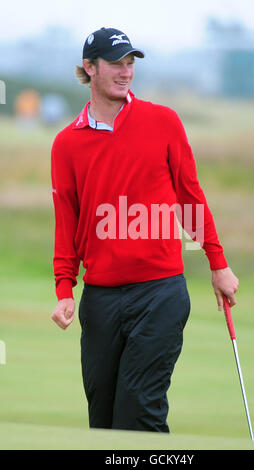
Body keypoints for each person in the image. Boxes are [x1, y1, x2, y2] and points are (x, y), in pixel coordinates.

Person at [50, 27, 239, 432]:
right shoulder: (66, 144)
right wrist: (64, 289)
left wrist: (217, 265)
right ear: (90, 68)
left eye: (130, 62)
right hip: (100, 299)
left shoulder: (163, 122)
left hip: (160, 292)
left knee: (139, 410)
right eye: (116, 63)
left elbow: (189, 198)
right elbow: (66, 220)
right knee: (103, 420)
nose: (126, 71)